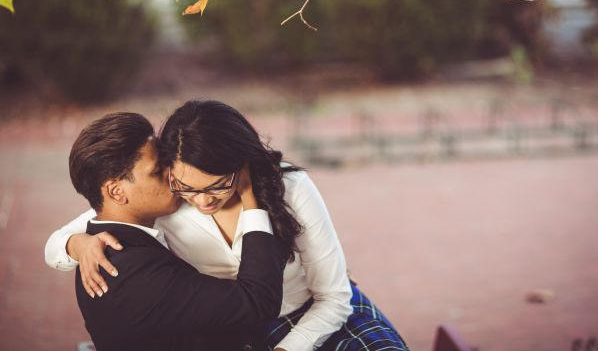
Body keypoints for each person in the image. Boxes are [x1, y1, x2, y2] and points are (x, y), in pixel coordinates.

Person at [45, 101, 409, 351]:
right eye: (187, 186)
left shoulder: (291, 188)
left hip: (324, 316)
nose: (202, 201)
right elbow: (86, 226)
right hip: (246, 329)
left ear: (242, 164)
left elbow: (335, 296)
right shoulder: (167, 200)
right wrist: (77, 244)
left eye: (217, 185)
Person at [58, 112, 287, 351]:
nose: (173, 174)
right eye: (158, 171)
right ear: (116, 192)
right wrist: (249, 194)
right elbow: (259, 301)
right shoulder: (136, 272)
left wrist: (75, 243)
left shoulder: (106, 242)